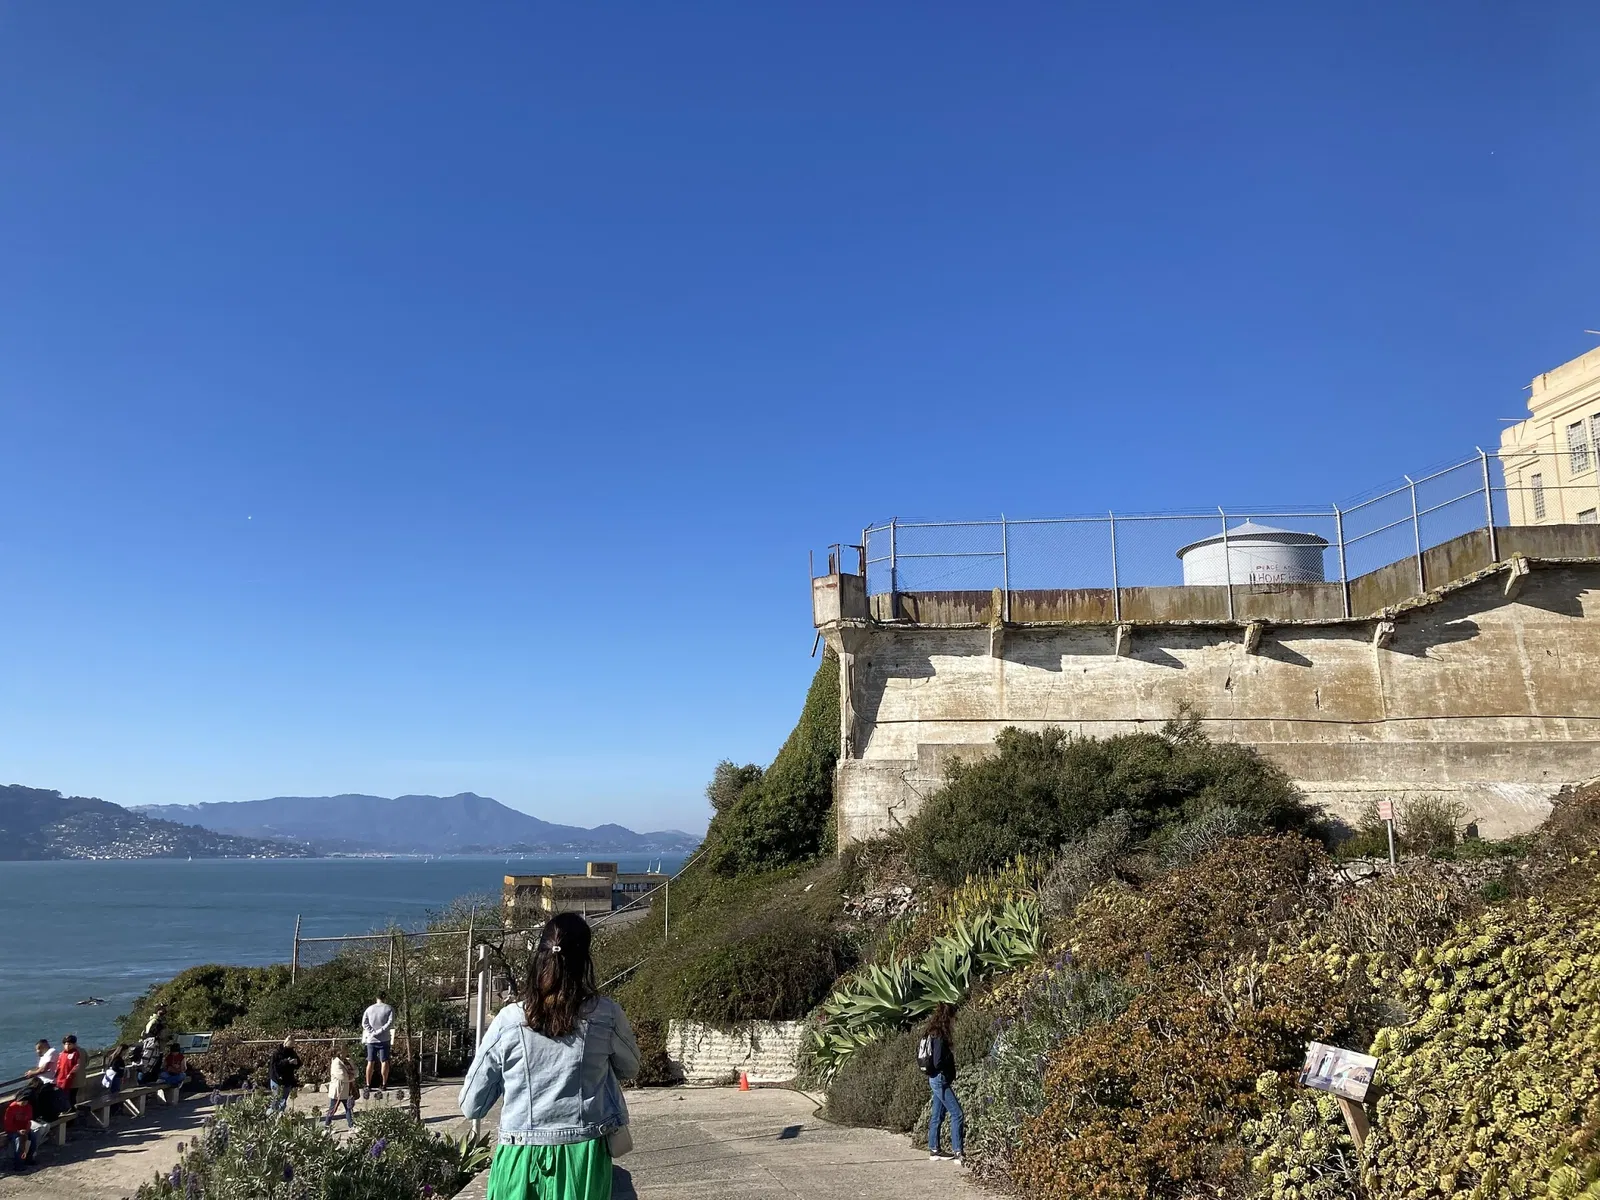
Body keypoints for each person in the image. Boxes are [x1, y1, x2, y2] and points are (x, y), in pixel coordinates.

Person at [460, 912, 639, 1200]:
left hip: (518, 1158)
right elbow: (630, 1067)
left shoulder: (508, 1021)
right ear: (585, 961)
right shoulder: (606, 1015)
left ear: (540, 956)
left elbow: (472, 1105)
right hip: (584, 1158)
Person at [918, 1003, 964, 1163]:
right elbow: (937, 1061)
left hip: (935, 1079)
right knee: (957, 1114)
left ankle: (934, 1149)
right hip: (940, 1079)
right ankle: (958, 1151)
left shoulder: (932, 1033)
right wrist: (948, 1061)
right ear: (948, 1017)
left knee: (937, 1115)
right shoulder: (939, 1035)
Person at [360, 991, 395, 1093]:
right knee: (384, 1061)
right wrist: (381, 1031)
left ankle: (368, 1084)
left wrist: (372, 1032)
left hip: (371, 1039)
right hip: (384, 1038)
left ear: (376, 997)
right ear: (385, 998)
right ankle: (384, 1084)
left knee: (370, 1062)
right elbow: (390, 1023)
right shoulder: (389, 1008)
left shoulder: (369, 1009)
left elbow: (364, 1023)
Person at [324, 1047, 356, 1129]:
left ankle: (351, 1126)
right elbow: (343, 1076)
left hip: (346, 1090)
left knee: (349, 1108)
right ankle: (327, 1126)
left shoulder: (347, 1061)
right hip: (338, 1091)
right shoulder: (336, 1063)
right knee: (332, 1109)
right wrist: (352, 1076)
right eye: (344, 1052)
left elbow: (356, 1071)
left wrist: (352, 1073)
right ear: (339, 1053)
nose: (345, 1054)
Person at [268, 1035, 301, 1114]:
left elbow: (299, 1063)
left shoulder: (292, 1052)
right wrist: (287, 1062)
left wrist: (296, 1063)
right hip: (277, 1079)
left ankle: (280, 1117)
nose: (290, 1049)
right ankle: (270, 1116)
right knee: (275, 1101)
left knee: (283, 1101)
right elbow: (274, 1066)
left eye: (291, 1047)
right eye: (289, 1047)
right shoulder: (277, 1053)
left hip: (287, 1080)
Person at [4, 1088, 35, 1170]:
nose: (24, 1103)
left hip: (24, 1129)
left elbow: (29, 1121)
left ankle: (29, 1158)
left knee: (33, 1137)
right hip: (13, 1130)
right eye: (22, 1101)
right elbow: (8, 1124)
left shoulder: (28, 1107)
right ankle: (18, 1164)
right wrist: (18, 1131)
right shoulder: (11, 1108)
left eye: (26, 1101)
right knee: (18, 1141)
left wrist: (27, 1130)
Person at [54, 1035, 85, 1109]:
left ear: (74, 1044)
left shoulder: (76, 1053)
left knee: (71, 1096)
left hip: (72, 1079)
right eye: (66, 1044)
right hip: (61, 1079)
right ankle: (66, 1108)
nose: (67, 1046)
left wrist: (70, 1074)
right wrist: (56, 1074)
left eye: (69, 1044)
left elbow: (78, 1065)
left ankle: (71, 1109)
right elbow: (58, 1065)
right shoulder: (61, 1054)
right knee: (63, 1095)